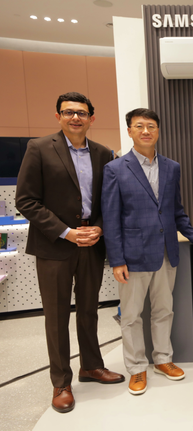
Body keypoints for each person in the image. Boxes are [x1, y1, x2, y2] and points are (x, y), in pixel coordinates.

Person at [15, 92, 124, 414]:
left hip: (91, 243)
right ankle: (61, 382)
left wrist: (99, 228)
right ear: (58, 116)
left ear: (92, 118)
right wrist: (67, 232)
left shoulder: (104, 154)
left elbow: (109, 200)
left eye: (81, 112)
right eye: (68, 112)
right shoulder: (38, 148)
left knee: (89, 310)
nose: (75, 117)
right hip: (55, 245)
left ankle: (91, 366)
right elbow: (26, 200)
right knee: (57, 315)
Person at [101, 108, 193, 395]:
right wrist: (116, 259)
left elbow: (175, 209)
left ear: (158, 131)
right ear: (129, 131)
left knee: (164, 310)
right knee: (131, 316)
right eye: (139, 126)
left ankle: (163, 359)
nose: (146, 131)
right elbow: (111, 217)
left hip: (166, 252)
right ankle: (136, 368)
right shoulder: (115, 168)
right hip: (132, 255)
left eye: (151, 126)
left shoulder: (171, 167)